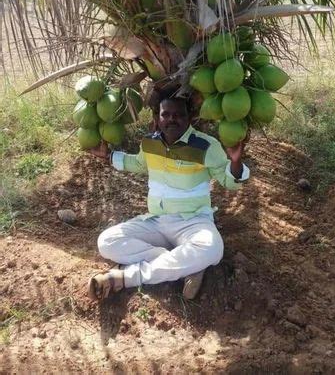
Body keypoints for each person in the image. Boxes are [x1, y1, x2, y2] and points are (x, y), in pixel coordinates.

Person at [87, 89, 249, 301]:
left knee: (213, 248)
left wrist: (236, 161)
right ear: (157, 118)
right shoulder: (149, 143)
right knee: (106, 241)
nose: (172, 119)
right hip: (156, 222)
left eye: (179, 115)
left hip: (193, 222)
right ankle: (183, 265)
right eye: (166, 114)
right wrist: (108, 156)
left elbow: (230, 181)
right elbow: (138, 163)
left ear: (190, 118)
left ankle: (125, 277)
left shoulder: (207, 146)